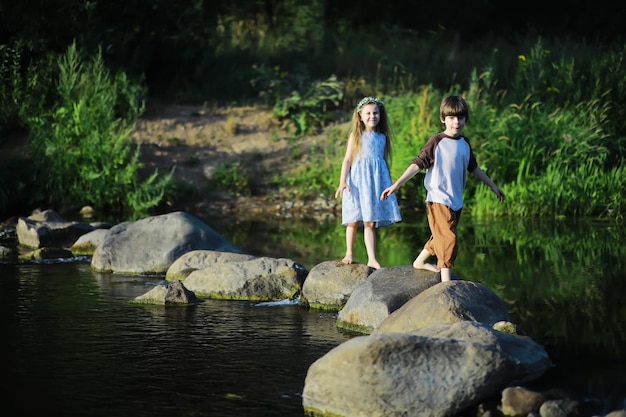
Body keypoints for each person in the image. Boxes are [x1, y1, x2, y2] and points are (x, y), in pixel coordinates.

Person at [380, 95, 505, 282]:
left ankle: (419, 262)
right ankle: (445, 282)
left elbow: (474, 168)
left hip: (456, 200)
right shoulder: (436, 141)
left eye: (460, 117)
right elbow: (418, 163)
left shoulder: (465, 143)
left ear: (465, 119)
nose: (456, 122)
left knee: (441, 235)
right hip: (438, 198)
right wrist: (397, 184)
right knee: (449, 239)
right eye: (452, 117)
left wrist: (493, 186)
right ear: (443, 119)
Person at [335, 96, 402, 270]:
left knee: (370, 222)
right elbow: (347, 160)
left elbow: (383, 163)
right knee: (353, 219)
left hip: (375, 184)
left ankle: (372, 258)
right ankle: (349, 252)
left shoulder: (382, 137)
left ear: (380, 115)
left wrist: (389, 184)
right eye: (369, 113)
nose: (372, 116)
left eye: (376, 113)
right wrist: (342, 181)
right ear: (360, 116)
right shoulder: (356, 136)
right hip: (357, 182)